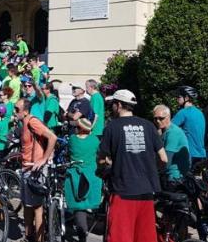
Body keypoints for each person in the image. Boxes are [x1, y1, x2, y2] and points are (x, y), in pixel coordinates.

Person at [98, 89, 167, 242]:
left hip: (123, 191)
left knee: (120, 237)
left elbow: (101, 158)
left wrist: (103, 168)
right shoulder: (149, 126)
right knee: (145, 237)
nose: (112, 108)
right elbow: (163, 158)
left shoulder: (112, 127)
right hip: (147, 192)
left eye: (113, 105)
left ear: (119, 105)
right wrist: (151, 170)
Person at [16, 97, 57, 242]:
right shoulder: (24, 123)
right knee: (27, 205)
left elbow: (52, 137)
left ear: (25, 111)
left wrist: (43, 159)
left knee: (37, 207)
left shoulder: (32, 121)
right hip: (26, 168)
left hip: (35, 170)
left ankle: (39, 239)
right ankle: (28, 236)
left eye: (17, 110)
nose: (14, 112)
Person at [64, 118, 101, 242]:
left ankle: (81, 232)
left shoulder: (73, 140)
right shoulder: (95, 140)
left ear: (80, 129)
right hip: (92, 176)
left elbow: (68, 153)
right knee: (87, 203)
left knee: (79, 206)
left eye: (77, 127)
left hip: (76, 176)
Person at [153, 105, 190, 187]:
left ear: (168, 117)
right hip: (168, 175)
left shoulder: (173, 133)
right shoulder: (165, 131)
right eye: (155, 118)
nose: (158, 121)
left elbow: (166, 161)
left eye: (161, 118)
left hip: (174, 178)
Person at [172, 85, 206, 165]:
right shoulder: (200, 113)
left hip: (188, 153)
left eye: (178, 97)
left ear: (186, 98)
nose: (176, 99)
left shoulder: (183, 112)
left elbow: (167, 128)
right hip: (201, 154)